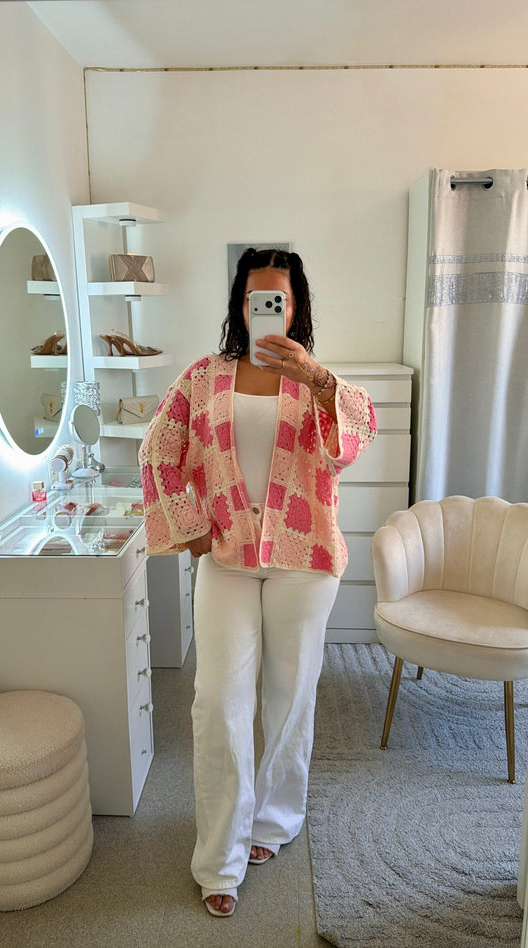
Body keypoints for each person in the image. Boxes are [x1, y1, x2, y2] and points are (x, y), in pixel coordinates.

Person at [139, 247, 377, 917]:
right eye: (254, 298)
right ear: (239, 305)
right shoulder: (203, 377)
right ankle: (220, 857)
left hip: (305, 560)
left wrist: (317, 377)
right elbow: (157, 449)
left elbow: (357, 434)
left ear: (296, 307)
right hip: (227, 558)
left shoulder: (316, 381)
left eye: (279, 297)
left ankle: (272, 822)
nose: (266, 308)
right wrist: (187, 526)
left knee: (289, 697)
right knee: (218, 701)